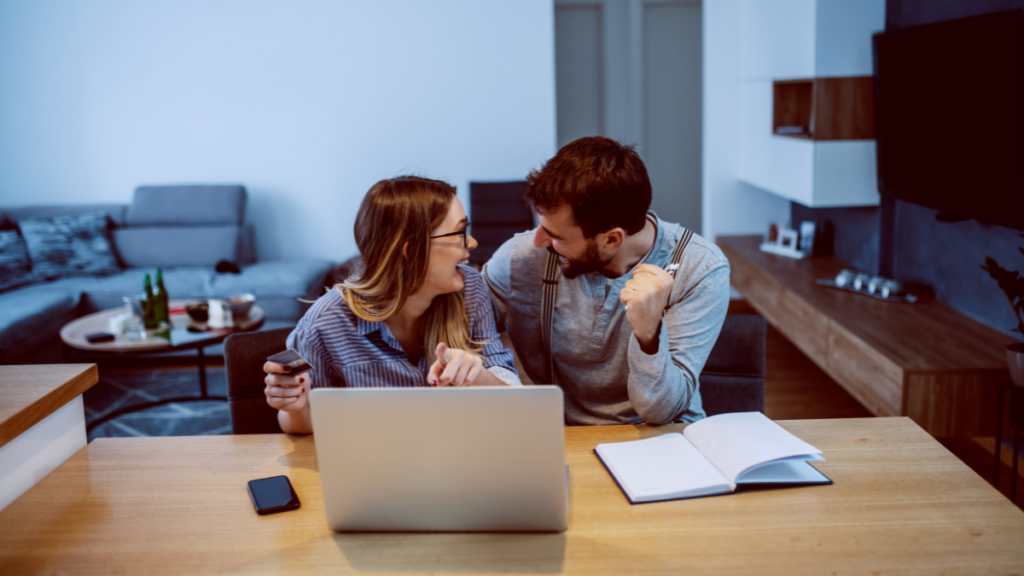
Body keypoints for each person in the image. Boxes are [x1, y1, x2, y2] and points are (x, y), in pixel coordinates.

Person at [483, 137, 729, 426]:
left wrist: (649, 334)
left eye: (557, 236)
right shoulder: (521, 258)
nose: (537, 240)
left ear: (611, 239)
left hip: (663, 436)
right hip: (564, 433)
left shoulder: (700, 267)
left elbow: (660, 412)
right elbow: (462, 331)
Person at [264, 176, 520, 434]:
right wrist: (293, 407)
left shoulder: (470, 288)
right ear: (411, 250)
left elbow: (515, 406)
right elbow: (303, 427)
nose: (472, 242)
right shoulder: (324, 321)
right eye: (459, 232)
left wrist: (478, 376)